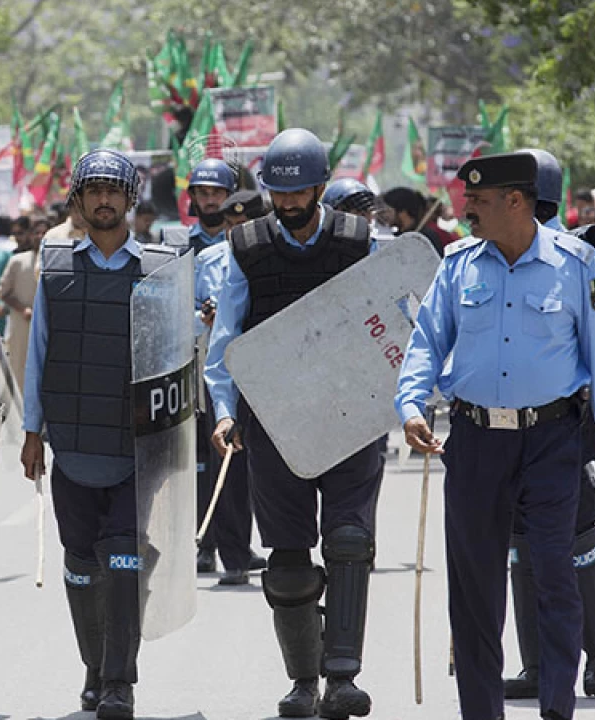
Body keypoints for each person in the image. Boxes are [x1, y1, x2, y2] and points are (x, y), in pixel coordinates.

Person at [396, 152, 595, 720]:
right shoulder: (458, 264)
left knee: (554, 578)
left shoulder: (577, 264)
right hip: (476, 441)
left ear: (516, 202)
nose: (466, 211)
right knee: (475, 587)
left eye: (478, 201)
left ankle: (557, 707)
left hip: (552, 440)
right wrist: (411, 404)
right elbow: (427, 343)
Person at [204, 128, 382, 718]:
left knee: (350, 542)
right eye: (279, 194)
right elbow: (226, 341)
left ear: (321, 187)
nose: (289, 204)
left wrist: (407, 402)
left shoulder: (362, 242)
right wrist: (225, 413)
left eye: (300, 192)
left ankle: (343, 678)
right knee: (286, 561)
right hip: (273, 419)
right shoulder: (245, 248)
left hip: (351, 416)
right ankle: (303, 681)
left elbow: (399, 328)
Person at [22, 149, 181, 720]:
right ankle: (94, 668)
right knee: (80, 565)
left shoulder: (161, 269)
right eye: (94, 191)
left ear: (130, 199)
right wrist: (31, 430)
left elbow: (172, 359)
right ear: (78, 201)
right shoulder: (56, 267)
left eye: (114, 190)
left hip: (134, 450)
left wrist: (174, 443)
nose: (104, 200)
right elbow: (38, 353)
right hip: (71, 447)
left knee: (122, 562)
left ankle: (119, 682)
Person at [501, 148, 595, 702]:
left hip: (575, 420)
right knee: (521, 542)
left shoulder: (583, 253)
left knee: (579, 534)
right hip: (508, 425)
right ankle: (537, 664)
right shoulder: (491, 253)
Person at [167, 157, 261, 585]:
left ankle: (241, 547)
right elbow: (166, 309)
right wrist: (199, 318)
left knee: (246, 462)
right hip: (200, 370)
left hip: (249, 370)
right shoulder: (186, 251)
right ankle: (213, 546)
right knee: (206, 462)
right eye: (202, 194)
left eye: (216, 194)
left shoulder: (261, 250)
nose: (209, 201)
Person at [0, 220, 39, 394]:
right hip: (21, 326)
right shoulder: (17, 261)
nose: (40, 236)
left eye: (45, 232)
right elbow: (2, 292)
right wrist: (23, 309)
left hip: (46, 326)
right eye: (37, 232)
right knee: (18, 372)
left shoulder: (57, 262)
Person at [382, 187, 452, 255]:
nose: (384, 215)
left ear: (402, 212)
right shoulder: (398, 237)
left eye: (388, 210)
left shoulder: (429, 235)